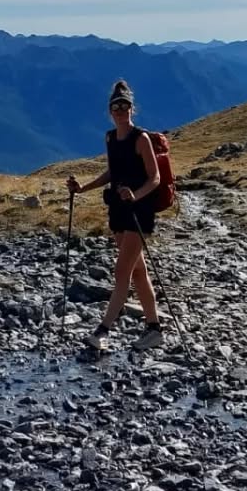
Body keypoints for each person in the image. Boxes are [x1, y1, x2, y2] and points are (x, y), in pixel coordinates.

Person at [66, 79, 162, 349]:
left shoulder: (140, 138)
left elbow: (154, 178)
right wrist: (83, 188)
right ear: (110, 111)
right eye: (116, 106)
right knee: (137, 272)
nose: (120, 110)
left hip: (139, 211)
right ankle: (154, 328)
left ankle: (103, 330)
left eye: (125, 105)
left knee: (122, 272)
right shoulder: (110, 138)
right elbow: (112, 173)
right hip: (118, 210)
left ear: (133, 109)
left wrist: (136, 195)